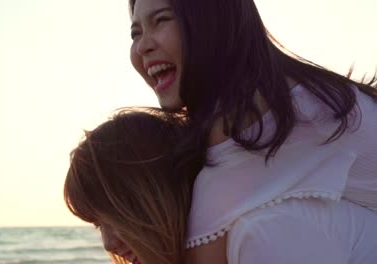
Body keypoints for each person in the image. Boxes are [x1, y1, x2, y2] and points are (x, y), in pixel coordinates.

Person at [128, 0, 377, 263]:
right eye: (136, 33)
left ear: (213, 24)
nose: (143, 45)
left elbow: (201, 256)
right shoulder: (261, 98)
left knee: (264, 232)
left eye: (161, 21)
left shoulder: (275, 114)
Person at [63, 109, 202, 264]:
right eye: (99, 225)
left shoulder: (231, 248)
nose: (108, 244)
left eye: (114, 217)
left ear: (155, 192)